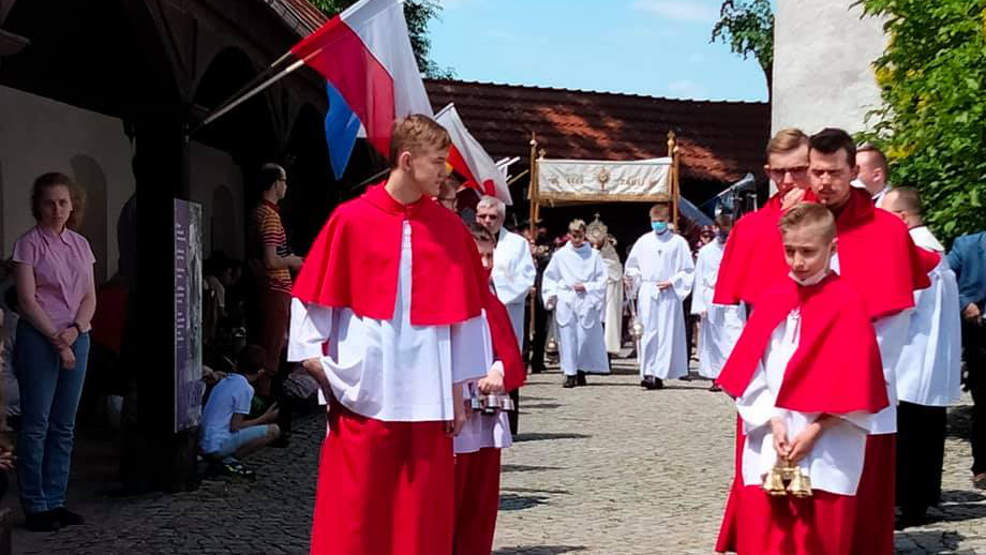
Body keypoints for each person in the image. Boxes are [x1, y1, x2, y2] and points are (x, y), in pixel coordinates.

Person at [289, 114, 492, 555]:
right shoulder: (349, 220)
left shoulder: (450, 230)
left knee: (420, 517)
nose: (445, 172)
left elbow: (466, 318)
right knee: (355, 512)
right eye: (438, 162)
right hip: (364, 391)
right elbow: (308, 311)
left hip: (429, 396)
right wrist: (327, 376)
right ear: (406, 160)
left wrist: (458, 392)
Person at [716, 203, 889, 554]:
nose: (797, 261)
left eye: (808, 252)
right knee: (768, 534)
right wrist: (772, 419)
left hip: (827, 440)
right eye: (789, 251)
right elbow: (751, 368)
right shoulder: (773, 296)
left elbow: (858, 382)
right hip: (770, 431)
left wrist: (814, 429)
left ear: (832, 248)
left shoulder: (848, 303)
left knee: (822, 537)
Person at [12, 172, 96, 531]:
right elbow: (27, 300)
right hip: (39, 338)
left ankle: (56, 498)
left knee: (64, 424)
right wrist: (57, 339)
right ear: (38, 204)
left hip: (78, 336)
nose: (57, 209)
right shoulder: (28, 244)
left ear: (72, 203)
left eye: (63, 202)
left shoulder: (81, 244)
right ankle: (36, 504)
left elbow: (90, 296)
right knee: (36, 423)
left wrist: (75, 330)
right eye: (49, 202)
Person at [879, 187, 962, 525]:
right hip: (931, 356)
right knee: (926, 431)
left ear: (901, 218)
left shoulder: (914, 249)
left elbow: (902, 302)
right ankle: (922, 497)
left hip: (911, 356)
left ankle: (905, 505)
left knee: (910, 436)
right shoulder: (936, 248)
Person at [453, 223, 526, 555]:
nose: (486, 264)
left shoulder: (492, 304)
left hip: (485, 415)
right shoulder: (445, 299)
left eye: (489, 255)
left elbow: (510, 355)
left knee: (480, 499)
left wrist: (498, 370)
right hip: (453, 413)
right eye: (478, 255)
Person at [624, 199, 695, 390]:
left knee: (665, 333)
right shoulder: (644, 241)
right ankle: (647, 371)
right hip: (648, 291)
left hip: (669, 293)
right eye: (654, 221)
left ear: (667, 220)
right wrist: (631, 277)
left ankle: (659, 373)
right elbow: (633, 266)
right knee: (648, 332)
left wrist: (672, 281)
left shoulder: (678, 242)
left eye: (661, 220)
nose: (657, 224)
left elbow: (688, 270)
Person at [248, 163, 303, 397]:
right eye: (284, 181)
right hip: (275, 288)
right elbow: (271, 260)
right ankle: (263, 401)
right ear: (276, 183)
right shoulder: (269, 216)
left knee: (273, 345)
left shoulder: (259, 212)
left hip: (266, 287)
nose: (286, 186)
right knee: (271, 351)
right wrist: (292, 261)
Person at [542, 219, 610, 388]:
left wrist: (588, 286)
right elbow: (551, 277)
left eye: (580, 235)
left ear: (584, 235)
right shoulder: (560, 256)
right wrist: (552, 294)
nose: (577, 239)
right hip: (567, 298)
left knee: (583, 337)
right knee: (567, 336)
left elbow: (602, 279)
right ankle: (569, 372)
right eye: (574, 235)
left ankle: (581, 369)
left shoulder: (594, 256)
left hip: (586, 298)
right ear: (569, 235)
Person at [198, 345, 280, 477]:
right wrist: (265, 418)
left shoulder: (224, 380)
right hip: (217, 443)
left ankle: (223, 459)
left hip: (204, 439)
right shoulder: (245, 388)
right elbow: (235, 426)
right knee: (273, 430)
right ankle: (227, 460)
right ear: (260, 372)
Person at [947, 224, 986, 490]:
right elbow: (941, 279)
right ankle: (982, 466)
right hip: (981, 336)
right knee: (984, 404)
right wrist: (963, 303)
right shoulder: (967, 246)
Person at [691, 210, 745, 389]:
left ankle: (731, 374)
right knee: (714, 338)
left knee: (733, 336)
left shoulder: (738, 248)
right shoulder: (706, 252)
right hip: (711, 297)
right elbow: (699, 278)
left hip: (733, 296)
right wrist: (699, 305)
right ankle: (715, 375)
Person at [476, 195, 536, 352]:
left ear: (501, 218)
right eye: (482, 216)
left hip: (507, 308)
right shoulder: (467, 239)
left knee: (505, 355)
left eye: (492, 216)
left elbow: (527, 276)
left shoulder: (517, 243)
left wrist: (496, 283)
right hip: (477, 308)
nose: (487, 220)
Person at [587, 216, 624, 356]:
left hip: (608, 291)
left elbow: (615, 269)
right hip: (591, 293)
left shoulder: (611, 253)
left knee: (607, 324)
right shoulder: (586, 252)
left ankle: (605, 356)